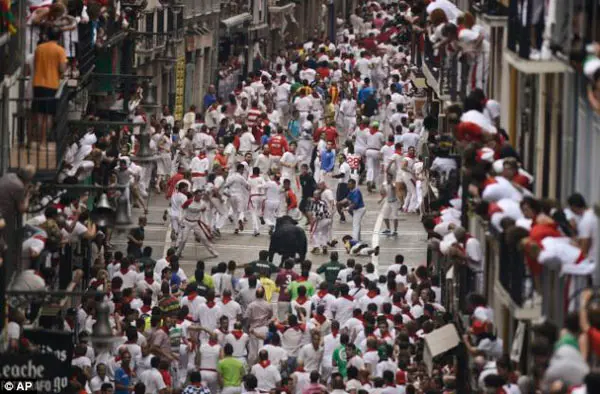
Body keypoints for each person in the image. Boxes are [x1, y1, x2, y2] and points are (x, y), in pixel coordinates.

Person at [32, 26, 67, 144]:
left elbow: (35, 64)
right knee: (48, 115)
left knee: (38, 113)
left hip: (37, 83)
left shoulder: (39, 48)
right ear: (59, 37)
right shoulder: (60, 50)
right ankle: (43, 141)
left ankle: (35, 139)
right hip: (51, 84)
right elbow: (62, 69)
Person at [176, 190, 219, 258]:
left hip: (196, 223)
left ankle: (213, 252)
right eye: (199, 195)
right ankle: (178, 253)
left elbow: (204, 215)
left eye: (201, 195)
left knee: (204, 238)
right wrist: (180, 219)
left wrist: (207, 224)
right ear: (195, 195)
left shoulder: (203, 204)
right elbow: (182, 209)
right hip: (187, 222)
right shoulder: (189, 201)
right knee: (183, 239)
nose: (200, 197)